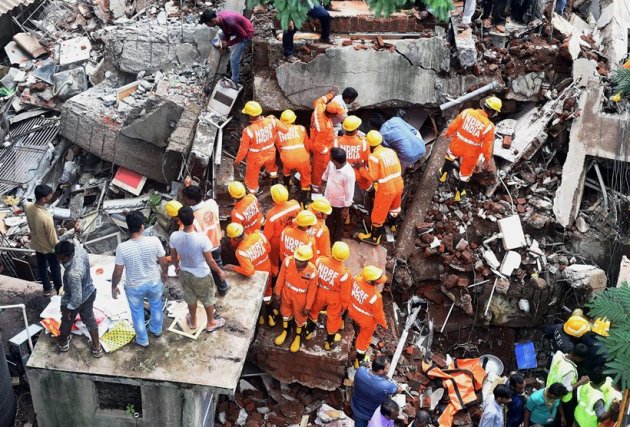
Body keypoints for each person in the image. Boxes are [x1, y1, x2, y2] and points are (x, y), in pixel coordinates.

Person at [112, 211, 169, 347]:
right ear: (142, 227)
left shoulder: (122, 248)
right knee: (156, 306)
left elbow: (118, 272)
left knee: (137, 313)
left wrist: (114, 286)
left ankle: (143, 340)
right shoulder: (154, 241)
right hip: (154, 282)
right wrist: (165, 273)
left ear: (128, 228)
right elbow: (163, 261)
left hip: (134, 287)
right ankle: (156, 330)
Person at [169, 207, 226, 333]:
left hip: (184, 272)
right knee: (207, 297)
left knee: (190, 297)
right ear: (193, 218)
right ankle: (211, 322)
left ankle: (193, 321)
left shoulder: (174, 236)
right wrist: (219, 271)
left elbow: (173, 257)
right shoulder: (202, 238)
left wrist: (176, 268)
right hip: (201, 274)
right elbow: (210, 260)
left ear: (180, 220)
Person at [439, 96, 502, 202]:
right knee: (465, 174)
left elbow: (455, 124)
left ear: (484, 105)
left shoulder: (467, 112)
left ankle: (443, 175)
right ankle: (459, 194)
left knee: (450, 157)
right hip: (472, 152)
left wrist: (448, 133)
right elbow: (487, 146)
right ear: (492, 112)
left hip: (458, 143)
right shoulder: (489, 126)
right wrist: (487, 159)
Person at [55, 241, 102, 358]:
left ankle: (63, 343)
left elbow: (76, 298)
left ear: (68, 256)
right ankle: (97, 347)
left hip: (75, 299)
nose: (59, 262)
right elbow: (73, 239)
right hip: (89, 292)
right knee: (90, 320)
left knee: (66, 321)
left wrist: (68, 309)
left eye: (61, 259)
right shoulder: (79, 249)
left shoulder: (73, 273)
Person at [357, 130, 404, 245]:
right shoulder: (390, 151)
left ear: (370, 144)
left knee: (378, 212)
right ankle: (393, 225)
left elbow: (372, 176)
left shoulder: (374, 157)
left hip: (386, 189)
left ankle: (374, 238)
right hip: (398, 183)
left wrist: (361, 169)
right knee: (395, 206)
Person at [181, 185, 229, 296]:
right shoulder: (211, 204)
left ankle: (222, 288)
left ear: (191, 200)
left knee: (213, 270)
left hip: (206, 248)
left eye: (186, 199)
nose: (185, 201)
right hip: (216, 241)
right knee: (217, 265)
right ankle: (222, 286)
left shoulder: (193, 218)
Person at [223, 222, 275, 325]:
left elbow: (249, 271)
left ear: (235, 239)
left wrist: (234, 267)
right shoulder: (259, 235)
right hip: (267, 270)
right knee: (268, 292)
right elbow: (268, 248)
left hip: (257, 277)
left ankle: (260, 316)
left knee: (257, 296)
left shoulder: (241, 252)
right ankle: (270, 313)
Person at [235, 101, 289, 195]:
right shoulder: (272, 121)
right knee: (272, 168)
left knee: (251, 177)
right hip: (270, 153)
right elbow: (285, 129)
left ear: (250, 115)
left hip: (255, 158)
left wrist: (237, 161)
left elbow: (243, 150)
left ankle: (253, 192)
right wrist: (275, 118)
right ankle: (274, 184)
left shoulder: (248, 131)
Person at [306, 241, 352, 350]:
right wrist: (344, 306)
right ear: (345, 257)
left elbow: (312, 274)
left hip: (319, 291)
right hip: (334, 297)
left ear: (332, 251)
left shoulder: (319, 261)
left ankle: (308, 332)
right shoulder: (345, 273)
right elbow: (345, 294)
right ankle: (329, 343)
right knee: (333, 318)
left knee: (314, 311)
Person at [273, 245, 318, 353]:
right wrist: (277, 292)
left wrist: (308, 306)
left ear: (307, 260)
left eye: (301, 261)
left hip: (301, 297)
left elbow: (312, 291)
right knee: (285, 312)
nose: (298, 262)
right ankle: (286, 331)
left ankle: (297, 336)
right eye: (297, 259)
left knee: (300, 317)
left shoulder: (312, 272)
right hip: (287, 292)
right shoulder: (288, 262)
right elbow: (281, 277)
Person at [199, 9, 254, 87]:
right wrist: (226, 43)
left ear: (212, 21)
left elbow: (243, 36)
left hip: (247, 33)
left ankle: (235, 82)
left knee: (234, 59)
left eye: (207, 24)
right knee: (220, 34)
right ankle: (223, 44)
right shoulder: (219, 19)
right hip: (237, 29)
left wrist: (228, 43)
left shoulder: (229, 21)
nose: (208, 26)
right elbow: (225, 30)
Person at [25, 184, 63, 296]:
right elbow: (53, 240)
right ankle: (59, 291)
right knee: (55, 269)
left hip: (37, 244)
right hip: (49, 248)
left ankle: (47, 289)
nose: (51, 196)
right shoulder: (46, 217)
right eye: (49, 195)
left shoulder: (28, 207)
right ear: (43, 199)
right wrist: (60, 248)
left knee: (41, 267)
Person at [347, 266, 388, 367]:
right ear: (371, 281)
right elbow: (378, 315)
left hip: (352, 310)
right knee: (364, 340)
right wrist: (384, 324)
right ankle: (359, 361)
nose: (379, 281)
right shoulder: (375, 296)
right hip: (366, 321)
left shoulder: (356, 279)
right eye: (378, 280)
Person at [351, 355, 404, 427]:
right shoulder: (387, 386)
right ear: (380, 371)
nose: (389, 370)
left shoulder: (360, 370)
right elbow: (398, 390)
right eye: (387, 368)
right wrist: (400, 388)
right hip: (370, 414)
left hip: (356, 406)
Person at [310, 87, 345, 193]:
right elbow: (319, 146)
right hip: (320, 149)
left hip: (314, 137)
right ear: (333, 114)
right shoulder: (324, 127)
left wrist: (330, 94)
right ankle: (316, 186)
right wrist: (329, 151)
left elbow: (320, 100)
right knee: (319, 168)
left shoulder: (320, 107)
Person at [547, 344, 590, 427]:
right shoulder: (569, 370)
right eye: (581, 359)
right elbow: (565, 390)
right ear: (577, 358)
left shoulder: (558, 355)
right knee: (567, 417)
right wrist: (581, 382)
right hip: (563, 400)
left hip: (550, 386)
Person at [263, 184, 301, 276]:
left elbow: (268, 235)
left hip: (277, 241)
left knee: (274, 260)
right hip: (290, 237)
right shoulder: (295, 205)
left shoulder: (271, 215)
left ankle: (275, 273)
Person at [276, 109, 312, 205]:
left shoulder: (278, 133)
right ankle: (303, 203)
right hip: (302, 158)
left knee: (286, 170)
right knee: (306, 178)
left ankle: (287, 186)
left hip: (287, 158)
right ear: (294, 120)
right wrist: (308, 156)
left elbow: (279, 148)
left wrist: (284, 157)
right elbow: (307, 146)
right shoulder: (301, 128)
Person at [322, 147, 355, 243]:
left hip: (340, 204)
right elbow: (326, 174)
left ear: (335, 161)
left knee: (339, 224)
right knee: (329, 221)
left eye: (330, 157)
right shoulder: (331, 164)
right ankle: (327, 240)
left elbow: (349, 192)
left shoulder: (348, 174)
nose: (329, 159)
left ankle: (336, 242)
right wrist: (322, 182)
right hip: (329, 200)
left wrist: (346, 208)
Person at [333, 116, 371, 190]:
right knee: (367, 185)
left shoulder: (336, 142)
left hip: (341, 175)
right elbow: (367, 161)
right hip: (359, 176)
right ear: (356, 130)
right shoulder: (364, 143)